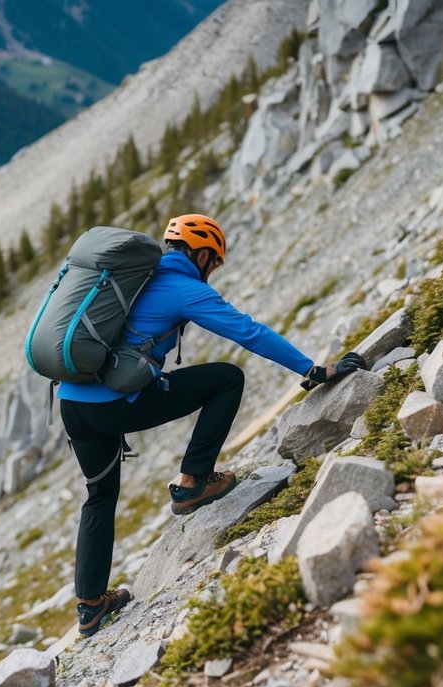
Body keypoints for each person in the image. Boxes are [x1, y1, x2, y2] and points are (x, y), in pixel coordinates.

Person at [58, 214, 367, 637]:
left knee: (99, 496)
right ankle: (193, 483)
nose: (213, 269)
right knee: (227, 378)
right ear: (201, 254)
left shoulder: (130, 279)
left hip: (71, 400)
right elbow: (247, 331)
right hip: (113, 403)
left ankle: (91, 605)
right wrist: (313, 370)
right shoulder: (182, 287)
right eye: (214, 262)